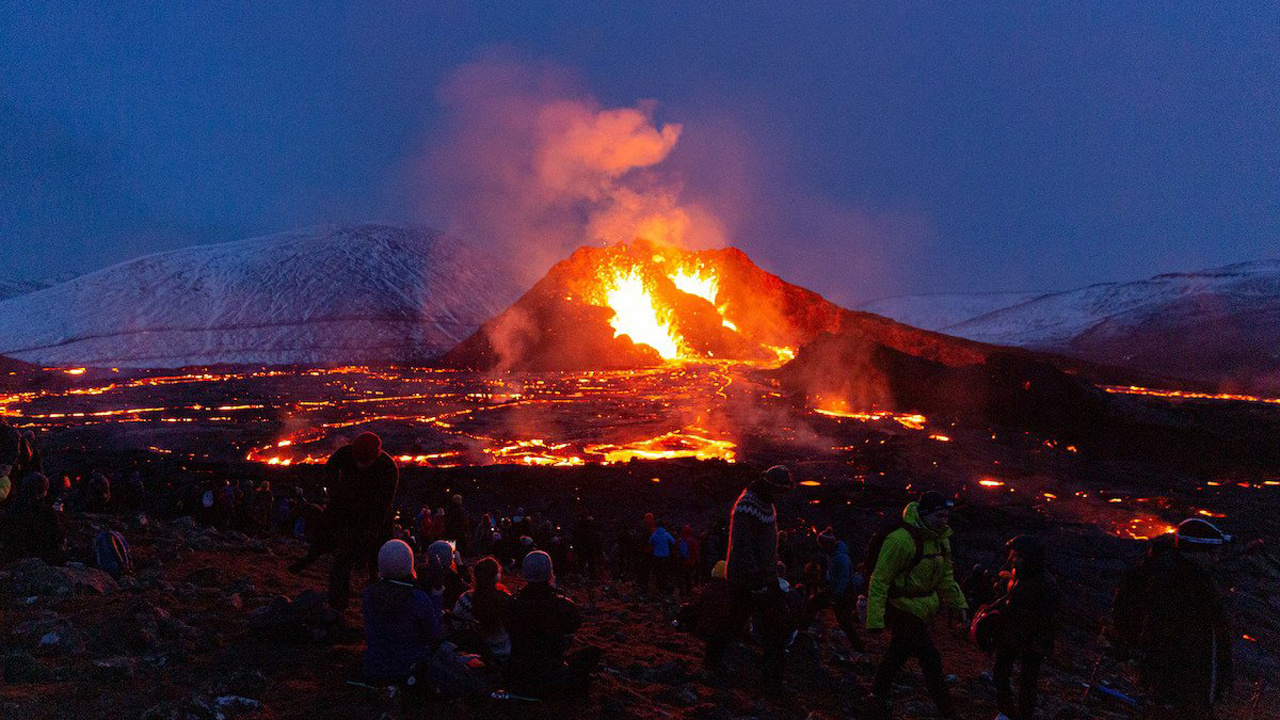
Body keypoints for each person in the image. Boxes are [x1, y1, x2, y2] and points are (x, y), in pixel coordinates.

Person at [1111, 518, 1233, 720]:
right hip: (1181, 684)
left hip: (1187, 683)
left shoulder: (1192, 579)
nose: (1216, 558)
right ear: (1196, 553)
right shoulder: (1178, 585)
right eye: (1213, 552)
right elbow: (1160, 634)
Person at [866, 491, 968, 719]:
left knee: (897, 654)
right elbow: (879, 580)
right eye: (939, 516)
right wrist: (875, 620)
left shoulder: (941, 540)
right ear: (924, 514)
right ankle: (948, 712)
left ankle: (876, 696)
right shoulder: (901, 540)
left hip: (924, 609)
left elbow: (945, 577)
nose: (944, 521)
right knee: (930, 659)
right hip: (903, 608)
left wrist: (958, 604)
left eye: (946, 517)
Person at [707, 465, 795, 691]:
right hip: (748, 579)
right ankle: (714, 662)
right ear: (769, 485)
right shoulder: (748, 505)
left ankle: (771, 678)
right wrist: (756, 576)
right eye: (779, 490)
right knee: (739, 622)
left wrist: (772, 566)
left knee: (765, 625)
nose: (781, 496)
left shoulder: (766, 503)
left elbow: (763, 541)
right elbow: (742, 544)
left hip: (765, 576)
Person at [290, 432, 400, 610]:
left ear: (377, 455)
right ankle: (314, 561)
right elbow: (329, 470)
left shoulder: (388, 468)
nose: (361, 465)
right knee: (328, 536)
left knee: (376, 547)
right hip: (346, 503)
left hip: (374, 511)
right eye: (358, 461)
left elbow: (384, 506)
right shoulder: (345, 453)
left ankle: (374, 578)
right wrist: (335, 493)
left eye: (366, 462)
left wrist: (369, 532)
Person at [506, 550, 602, 698]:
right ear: (549, 572)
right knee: (592, 653)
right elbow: (575, 624)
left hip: (518, 676)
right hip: (551, 675)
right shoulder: (561, 606)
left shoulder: (512, 604)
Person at [989, 535, 1057, 720]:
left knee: (1027, 682)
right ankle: (1008, 712)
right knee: (1000, 672)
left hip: (1030, 640)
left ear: (1030, 557)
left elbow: (1047, 618)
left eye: (1016, 555)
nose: (1012, 558)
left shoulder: (1045, 583)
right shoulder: (1019, 575)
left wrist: (1041, 644)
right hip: (1012, 635)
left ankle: (1022, 715)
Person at [362, 539, 443, 682]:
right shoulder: (417, 598)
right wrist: (437, 596)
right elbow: (434, 635)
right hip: (408, 670)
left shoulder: (369, 593)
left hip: (373, 668)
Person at [805, 527, 864, 652]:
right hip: (835, 589)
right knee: (813, 604)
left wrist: (836, 595)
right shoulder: (833, 554)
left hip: (844, 593)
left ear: (828, 544)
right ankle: (802, 632)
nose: (822, 548)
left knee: (843, 621)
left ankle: (859, 647)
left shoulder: (841, 558)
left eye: (823, 545)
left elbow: (844, 579)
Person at [452, 556, 514, 662]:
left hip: (473, 657)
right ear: (496, 577)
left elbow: (456, 625)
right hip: (504, 655)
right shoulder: (506, 600)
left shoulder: (465, 600)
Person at [1, 473, 65, 564]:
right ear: (43, 491)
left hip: (13, 559)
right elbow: (58, 538)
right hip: (40, 560)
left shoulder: (12, 509)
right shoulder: (47, 512)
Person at [649, 520, 677, 593]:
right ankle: (664, 587)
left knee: (658, 572)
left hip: (656, 555)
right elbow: (673, 542)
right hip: (665, 555)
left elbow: (650, 542)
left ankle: (659, 586)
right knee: (665, 571)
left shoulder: (654, 534)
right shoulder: (666, 534)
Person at [676, 524, 701, 596]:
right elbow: (695, 551)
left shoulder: (680, 540)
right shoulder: (692, 541)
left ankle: (682, 592)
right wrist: (697, 560)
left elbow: (676, 550)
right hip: (690, 562)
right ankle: (688, 592)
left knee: (681, 576)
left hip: (681, 561)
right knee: (689, 577)